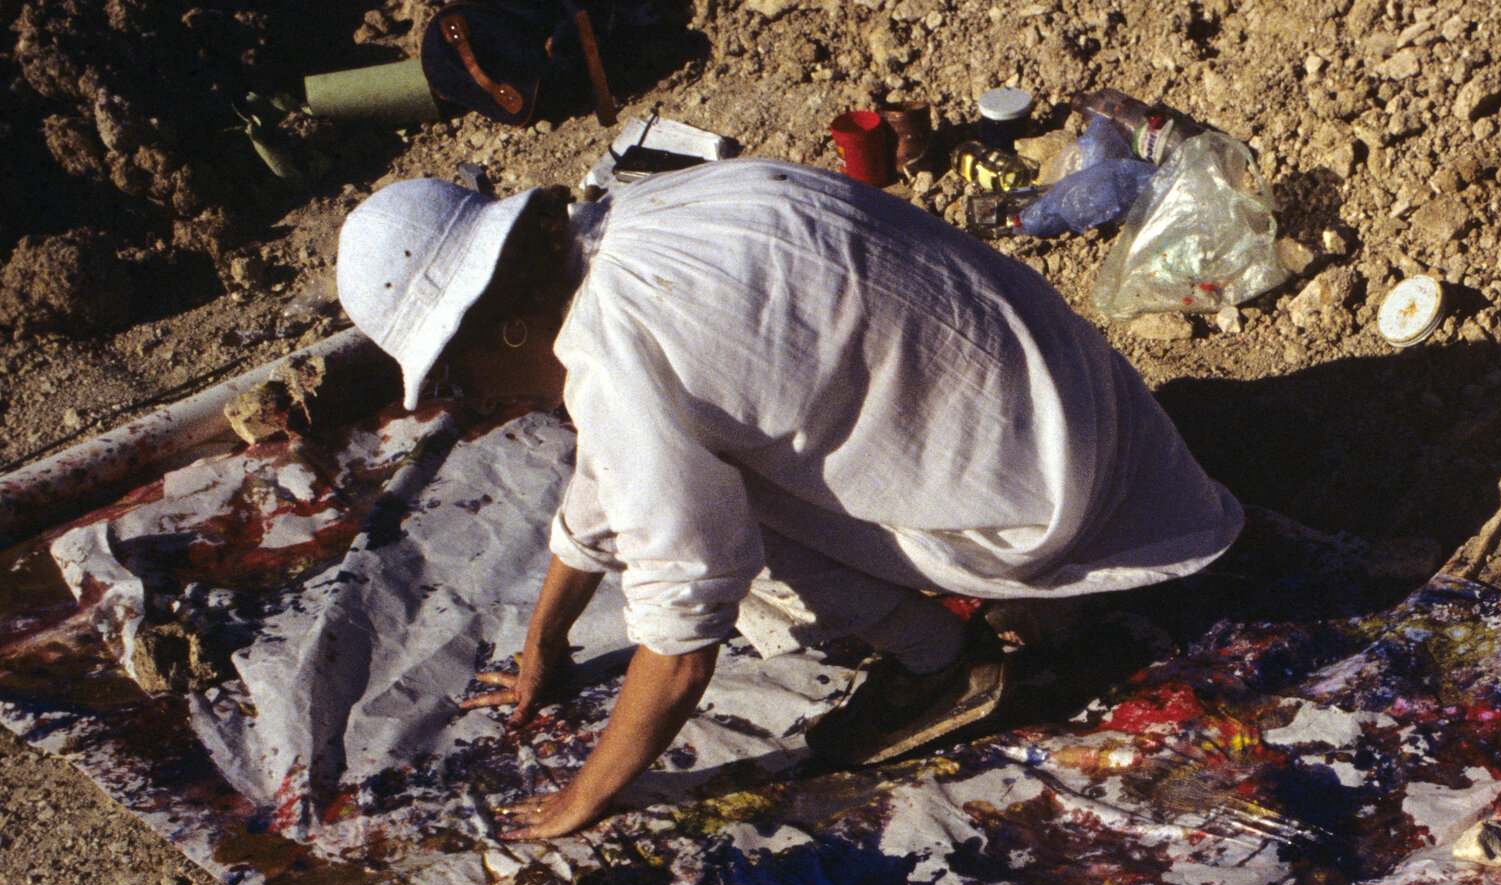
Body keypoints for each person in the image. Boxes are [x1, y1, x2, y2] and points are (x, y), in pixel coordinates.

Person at [333, 158, 1242, 840]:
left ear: (507, 323)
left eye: (460, 376)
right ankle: (966, 624)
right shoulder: (632, 217)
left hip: (1045, 497)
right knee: (691, 467)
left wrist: (587, 794)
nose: (481, 401)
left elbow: (683, 630)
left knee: (714, 514)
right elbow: (611, 472)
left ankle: (942, 664)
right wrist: (545, 641)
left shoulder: (614, 358)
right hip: (1094, 411)